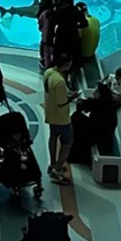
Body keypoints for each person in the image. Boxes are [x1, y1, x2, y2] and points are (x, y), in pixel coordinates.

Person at [43, 54, 75, 185]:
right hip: (61, 117)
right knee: (68, 141)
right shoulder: (60, 82)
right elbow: (62, 103)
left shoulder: (48, 73)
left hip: (51, 113)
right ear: (66, 64)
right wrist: (72, 97)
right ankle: (57, 169)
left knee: (53, 136)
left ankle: (53, 163)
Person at [36, 0, 55, 69]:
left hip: (45, 36)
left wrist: (41, 28)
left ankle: (45, 64)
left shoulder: (43, 13)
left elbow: (40, 21)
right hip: (50, 37)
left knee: (45, 50)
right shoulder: (50, 13)